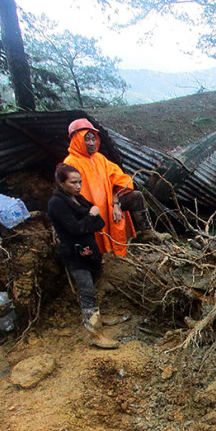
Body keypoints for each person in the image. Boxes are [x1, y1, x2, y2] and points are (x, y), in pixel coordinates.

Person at [63, 118, 168, 256]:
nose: (91, 142)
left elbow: (117, 181)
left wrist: (116, 204)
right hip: (90, 211)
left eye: (93, 138)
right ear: (76, 139)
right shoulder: (71, 163)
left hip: (110, 204)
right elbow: (71, 196)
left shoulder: (100, 158)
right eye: (86, 139)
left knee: (136, 196)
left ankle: (148, 233)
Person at [47, 163, 118, 349]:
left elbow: (100, 223)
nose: (78, 186)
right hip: (74, 254)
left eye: (80, 182)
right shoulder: (57, 203)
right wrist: (91, 216)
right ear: (61, 182)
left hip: (89, 251)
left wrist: (91, 218)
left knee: (94, 284)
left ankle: (98, 318)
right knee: (87, 291)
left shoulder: (78, 199)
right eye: (73, 182)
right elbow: (76, 229)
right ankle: (95, 333)